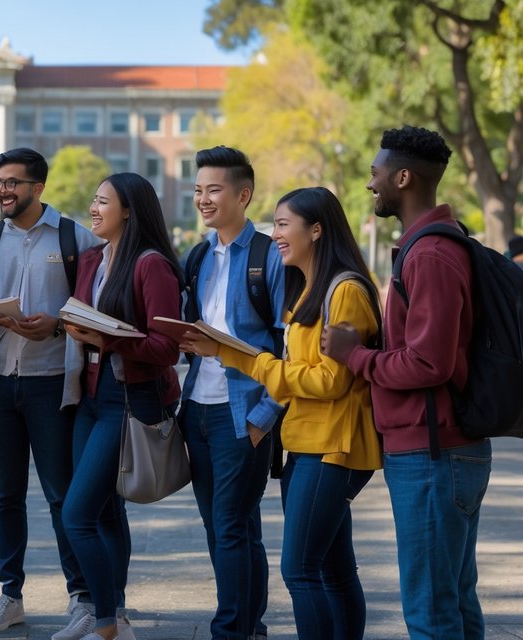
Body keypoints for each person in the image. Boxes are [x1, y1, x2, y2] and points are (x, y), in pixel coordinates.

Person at [183, 187, 382, 640]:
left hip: (332, 446)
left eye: (283, 224)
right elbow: (305, 371)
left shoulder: (345, 290)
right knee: (333, 568)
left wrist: (247, 361)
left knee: (301, 572)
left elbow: (332, 381)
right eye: (274, 225)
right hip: (306, 443)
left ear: (316, 230)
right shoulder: (306, 290)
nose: (275, 235)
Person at [322, 126, 491, 640]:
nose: (370, 183)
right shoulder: (428, 247)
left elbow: (428, 364)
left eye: (376, 173)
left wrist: (359, 358)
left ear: (403, 177)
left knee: (432, 613)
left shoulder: (432, 255)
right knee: (454, 603)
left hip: (433, 456)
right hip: (439, 452)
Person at [0, 147, 102, 638]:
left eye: (13, 182)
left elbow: (93, 310)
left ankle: (82, 597)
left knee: (63, 496)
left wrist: (58, 326)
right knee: (5, 497)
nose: (3, 189)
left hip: (52, 385)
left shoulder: (75, 238)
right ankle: (10, 595)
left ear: (38, 187)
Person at [60, 174, 184, 640]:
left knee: (77, 515)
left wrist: (105, 338)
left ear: (129, 210)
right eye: (92, 200)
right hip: (90, 395)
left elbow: (167, 348)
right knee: (105, 512)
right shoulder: (92, 258)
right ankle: (114, 615)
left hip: (128, 400)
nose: (93, 208)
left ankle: (107, 623)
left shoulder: (151, 265)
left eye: (103, 202)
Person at [175, 145, 285, 640]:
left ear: (244, 194)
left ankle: (230, 630)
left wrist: (266, 415)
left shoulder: (269, 257)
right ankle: (250, 626)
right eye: (198, 190)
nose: (203, 199)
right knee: (231, 530)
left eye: (213, 189)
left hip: (245, 415)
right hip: (197, 408)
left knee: (230, 526)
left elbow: (290, 342)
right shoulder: (198, 256)